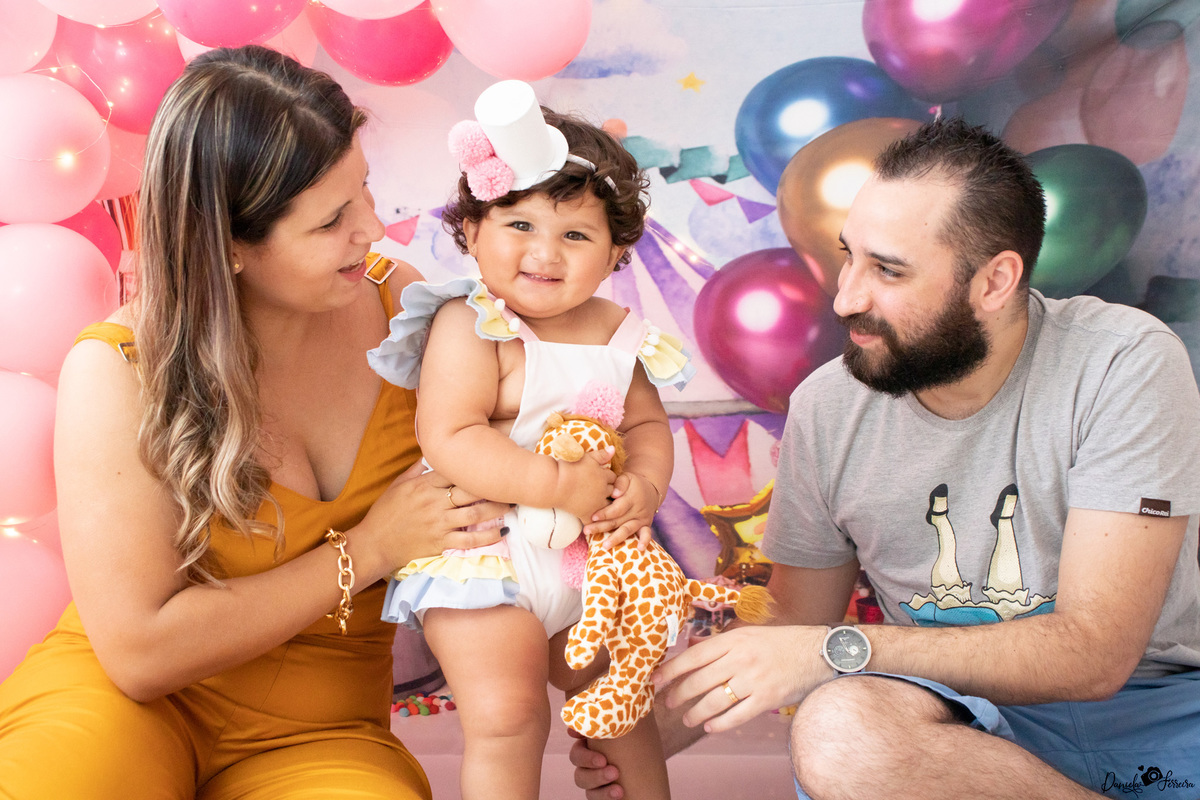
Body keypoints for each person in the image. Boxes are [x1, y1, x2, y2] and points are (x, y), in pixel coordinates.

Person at [575, 117, 1200, 799]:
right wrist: (642, 733)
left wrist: (835, 651)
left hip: (1152, 716)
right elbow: (795, 623)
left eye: (888, 271)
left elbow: (1096, 653)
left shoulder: (1122, 361)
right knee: (839, 730)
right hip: (960, 724)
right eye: (849, 257)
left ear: (995, 282)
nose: (846, 298)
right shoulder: (829, 405)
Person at [0, 45, 510, 799]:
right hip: (126, 708)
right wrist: (369, 548)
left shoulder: (402, 305)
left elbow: (518, 482)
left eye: (364, 190)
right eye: (331, 221)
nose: (372, 229)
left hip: (323, 734)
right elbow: (139, 655)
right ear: (229, 245)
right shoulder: (116, 368)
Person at [365, 80, 689, 800]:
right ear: (471, 230)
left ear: (616, 253)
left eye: (576, 235)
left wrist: (644, 485)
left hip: (587, 561)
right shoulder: (472, 322)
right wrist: (557, 485)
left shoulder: (618, 333)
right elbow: (451, 435)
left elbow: (645, 426)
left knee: (621, 700)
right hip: (488, 554)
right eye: (519, 225)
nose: (545, 253)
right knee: (509, 717)